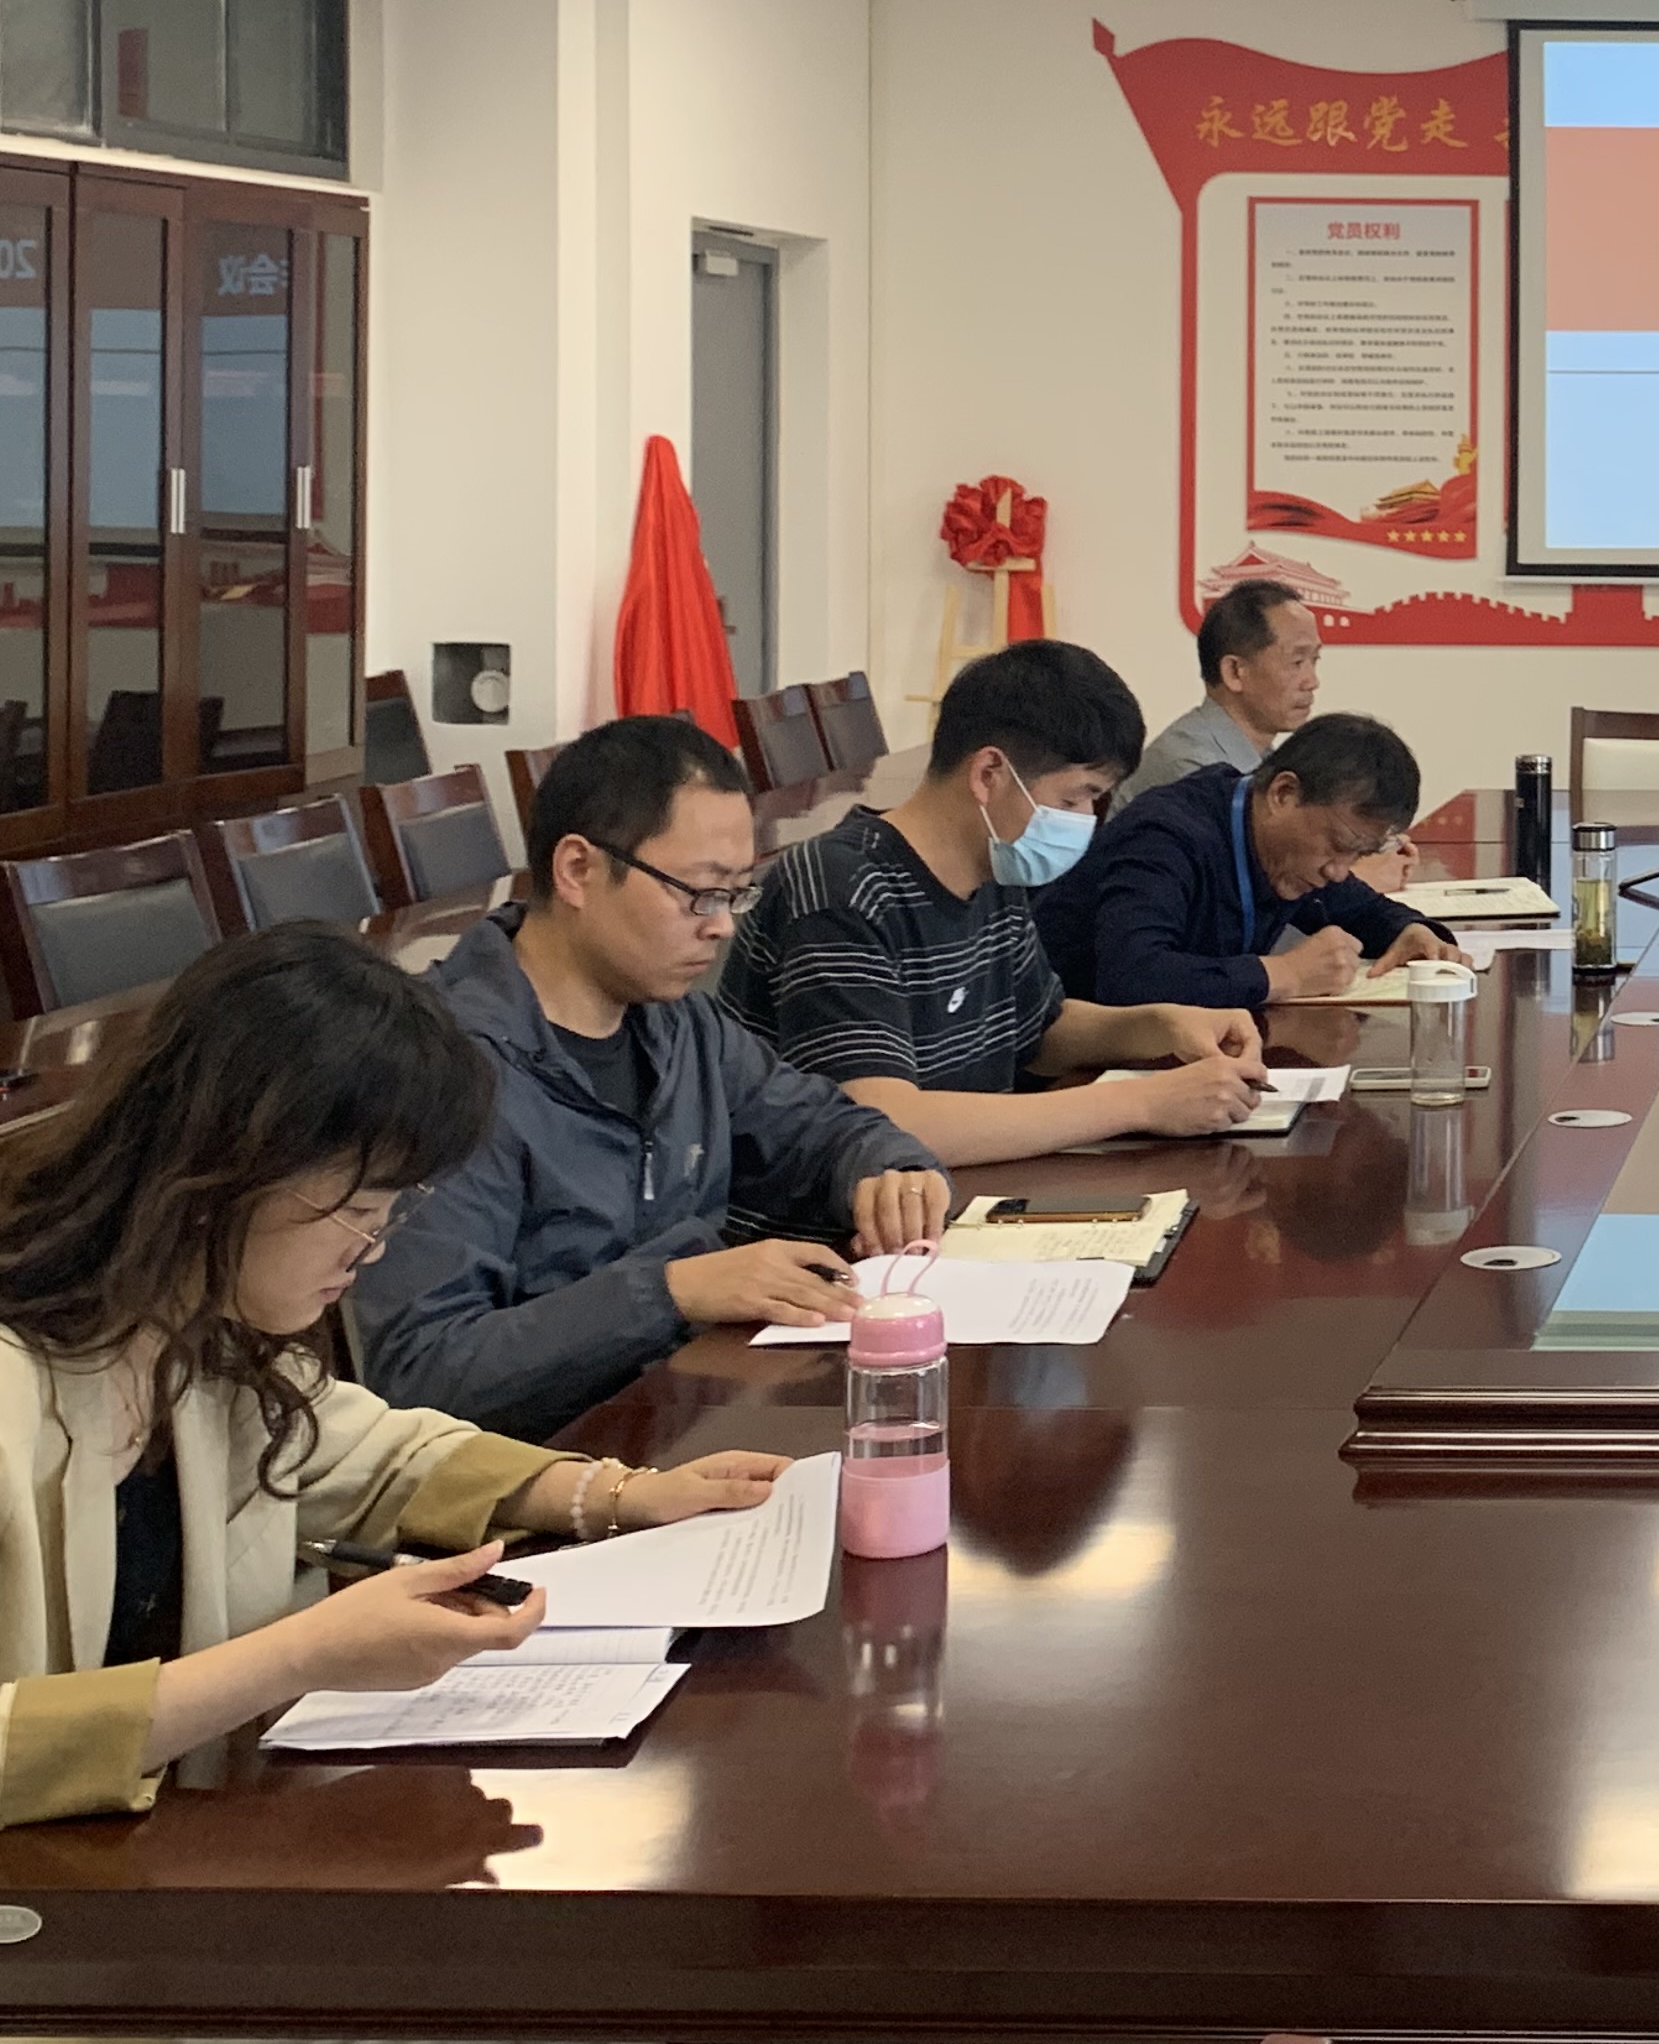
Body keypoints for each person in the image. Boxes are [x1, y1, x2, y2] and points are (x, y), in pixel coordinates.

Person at [0, 928, 796, 1828]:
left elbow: (369, 1449)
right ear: (229, 1169)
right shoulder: (19, 1381)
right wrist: (299, 1655)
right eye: (360, 1209)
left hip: (154, 1845)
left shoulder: (201, 1336)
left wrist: (616, 1495)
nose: (372, 1250)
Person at [351, 715, 951, 1439]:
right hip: (536, 1471)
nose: (721, 926)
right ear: (578, 870)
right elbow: (422, 1373)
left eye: (736, 894)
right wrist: (670, 1291)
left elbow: (820, 1127)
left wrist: (888, 1170)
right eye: (699, 892)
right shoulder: (441, 1071)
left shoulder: (678, 1024)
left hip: (680, 1426)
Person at [718, 640, 1269, 1166]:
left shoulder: (994, 867)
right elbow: (882, 1122)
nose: (1085, 820)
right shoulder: (840, 888)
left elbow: (1039, 1031)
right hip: (838, 1219)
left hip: (959, 1191)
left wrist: (1162, 1025)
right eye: (1073, 797)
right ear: (988, 775)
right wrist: (1142, 1103)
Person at [1031, 710, 1456, 1012]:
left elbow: (1362, 908)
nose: (1338, 870)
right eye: (1338, 844)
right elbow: (1132, 976)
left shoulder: (1295, 850)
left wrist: (1412, 930)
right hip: (1058, 1068)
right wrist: (1285, 974)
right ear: (1283, 794)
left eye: (1358, 854)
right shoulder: (1167, 835)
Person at [1117, 578, 1317, 808]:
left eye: (1315, 660)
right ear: (1234, 672)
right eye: (1297, 662)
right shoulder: (1192, 767)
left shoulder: (1263, 759)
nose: (1312, 682)